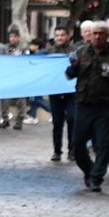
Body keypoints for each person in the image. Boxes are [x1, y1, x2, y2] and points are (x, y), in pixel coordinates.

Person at [66, 21, 109, 192]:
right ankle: (89, 170)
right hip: (84, 105)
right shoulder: (80, 52)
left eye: (101, 33)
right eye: (94, 33)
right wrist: (73, 67)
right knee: (77, 145)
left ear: (107, 36)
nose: (97, 36)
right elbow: (68, 75)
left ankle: (97, 177)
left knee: (103, 144)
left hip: (106, 106)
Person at [47, 25, 77, 162]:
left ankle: (72, 150)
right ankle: (57, 151)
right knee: (57, 123)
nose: (59, 38)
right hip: (55, 91)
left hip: (71, 92)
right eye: (57, 35)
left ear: (68, 36)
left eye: (62, 35)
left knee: (72, 119)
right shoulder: (49, 52)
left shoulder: (74, 51)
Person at [0, 26, 29, 130]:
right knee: (4, 99)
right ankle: (5, 119)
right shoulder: (4, 48)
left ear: (19, 37)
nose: (12, 38)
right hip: (7, 76)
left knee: (20, 100)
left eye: (14, 36)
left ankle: (19, 120)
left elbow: (27, 61)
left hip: (20, 76)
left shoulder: (23, 48)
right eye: (10, 36)